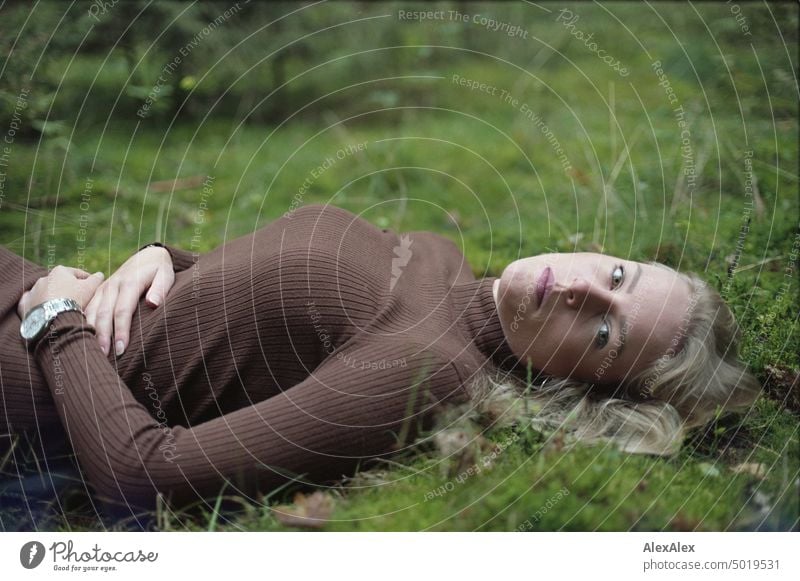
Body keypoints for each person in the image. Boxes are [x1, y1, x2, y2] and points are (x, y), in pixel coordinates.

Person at [1, 203, 760, 518]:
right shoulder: (445, 262)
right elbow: (265, 302)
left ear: (582, 384)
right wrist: (164, 256)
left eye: (606, 335)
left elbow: (143, 478)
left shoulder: (428, 374)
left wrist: (56, 320)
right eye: (619, 274)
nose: (587, 290)